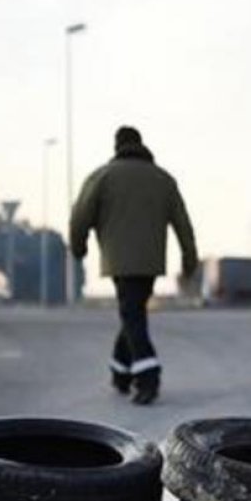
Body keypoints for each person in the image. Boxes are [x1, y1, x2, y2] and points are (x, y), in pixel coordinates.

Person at [70, 126, 197, 405]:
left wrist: (78, 247)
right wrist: (190, 260)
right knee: (133, 312)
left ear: (117, 146)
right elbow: (182, 224)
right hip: (151, 261)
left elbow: (80, 216)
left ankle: (148, 377)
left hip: (119, 260)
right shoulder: (164, 179)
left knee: (132, 313)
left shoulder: (101, 177)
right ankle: (121, 374)